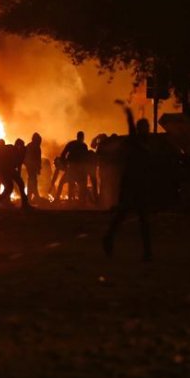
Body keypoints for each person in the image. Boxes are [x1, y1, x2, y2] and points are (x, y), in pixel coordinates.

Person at [102, 101, 152, 261]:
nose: (147, 130)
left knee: (143, 219)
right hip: (130, 184)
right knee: (123, 215)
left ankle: (147, 252)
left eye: (147, 127)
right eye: (144, 127)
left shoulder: (146, 144)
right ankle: (109, 238)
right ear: (139, 129)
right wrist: (128, 112)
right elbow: (131, 126)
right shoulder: (135, 141)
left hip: (140, 185)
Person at [0, 138, 31, 209]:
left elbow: (19, 165)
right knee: (10, 187)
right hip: (5, 170)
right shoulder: (11, 148)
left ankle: (24, 204)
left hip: (10, 170)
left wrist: (18, 178)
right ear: (18, 145)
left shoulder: (19, 152)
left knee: (20, 184)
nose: (22, 148)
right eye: (21, 146)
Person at [60, 130, 90, 204]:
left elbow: (63, 154)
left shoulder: (72, 144)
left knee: (72, 183)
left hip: (73, 167)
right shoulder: (84, 146)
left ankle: (71, 200)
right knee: (81, 185)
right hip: (78, 168)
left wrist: (64, 164)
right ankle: (80, 201)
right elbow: (86, 158)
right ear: (82, 137)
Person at [24, 132, 42, 203]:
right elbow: (38, 158)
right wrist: (38, 167)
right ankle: (34, 197)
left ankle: (30, 197)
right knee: (33, 181)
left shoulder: (29, 145)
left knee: (31, 181)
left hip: (30, 166)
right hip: (32, 166)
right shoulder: (36, 147)